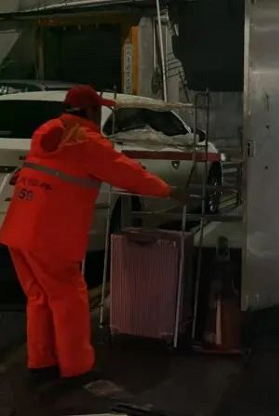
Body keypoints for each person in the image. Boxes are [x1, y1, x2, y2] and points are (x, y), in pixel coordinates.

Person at [0, 85, 185, 383]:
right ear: (89, 111)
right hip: (49, 235)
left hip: (18, 229)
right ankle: (76, 369)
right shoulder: (85, 141)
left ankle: (42, 362)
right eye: (98, 109)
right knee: (69, 298)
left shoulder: (46, 131)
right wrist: (168, 190)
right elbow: (125, 172)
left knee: (39, 297)